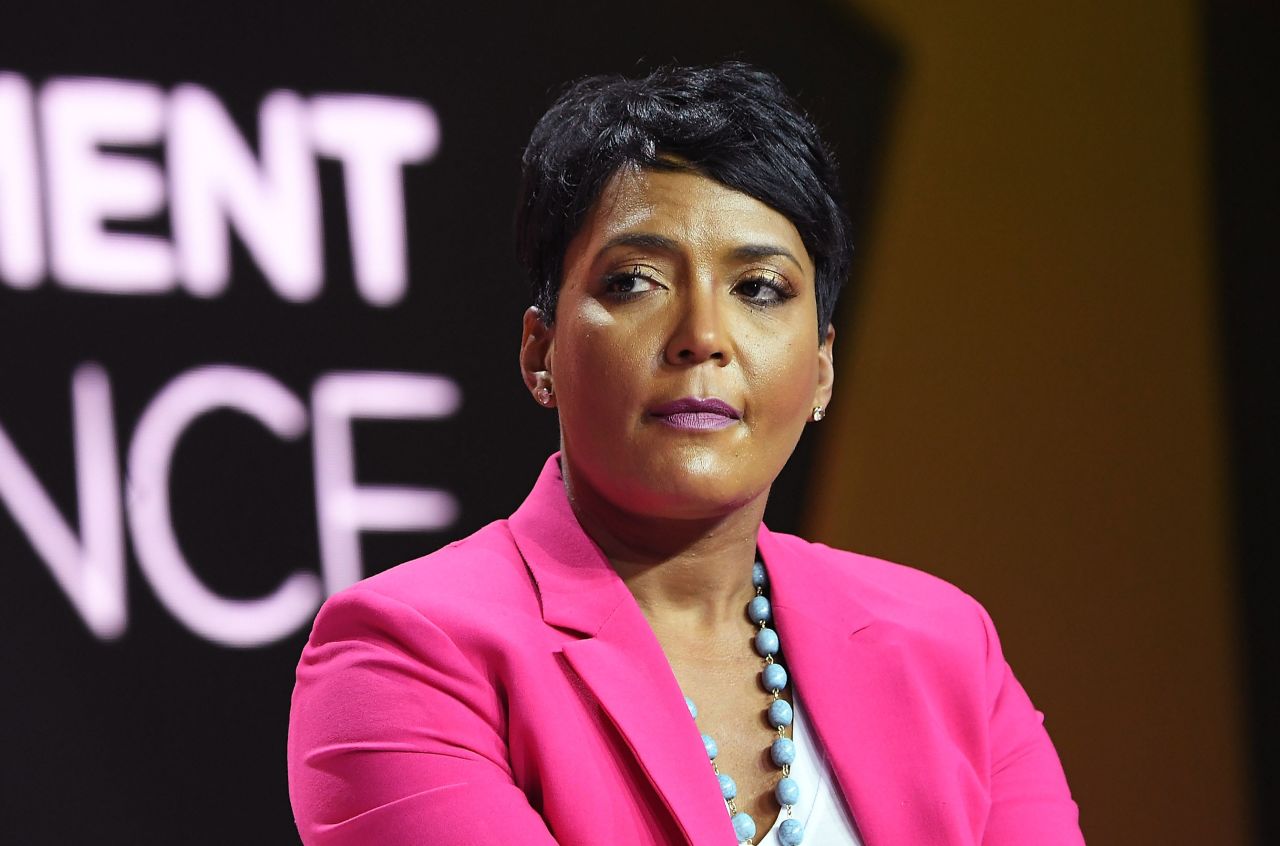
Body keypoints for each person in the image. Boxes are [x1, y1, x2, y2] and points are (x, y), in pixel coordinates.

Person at [287, 62, 1085, 846]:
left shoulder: (947, 649)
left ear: (821, 368)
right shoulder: (405, 656)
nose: (703, 337)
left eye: (760, 289)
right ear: (541, 353)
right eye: (635, 282)